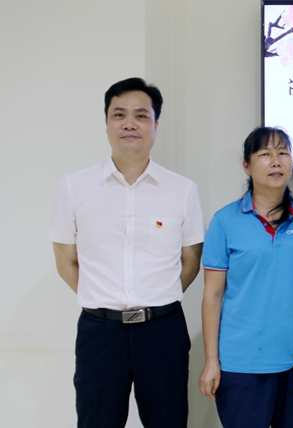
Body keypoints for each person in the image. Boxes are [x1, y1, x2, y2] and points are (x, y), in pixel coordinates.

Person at [48, 77, 205, 427]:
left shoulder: (182, 190)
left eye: (141, 115)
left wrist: (156, 297)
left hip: (162, 331)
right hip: (100, 333)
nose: (129, 124)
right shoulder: (75, 188)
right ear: (106, 123)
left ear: (155, 124)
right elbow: (66, 261)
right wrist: (103, 297)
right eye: (119, 115)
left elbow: (190, 262)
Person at [198, 127, 293, 427]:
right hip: (241, 364)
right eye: (265, 154)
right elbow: (212, 295)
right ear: (246, 166)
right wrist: (211, 361)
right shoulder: (225, 221)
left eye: (283, 153)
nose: (276, 161)